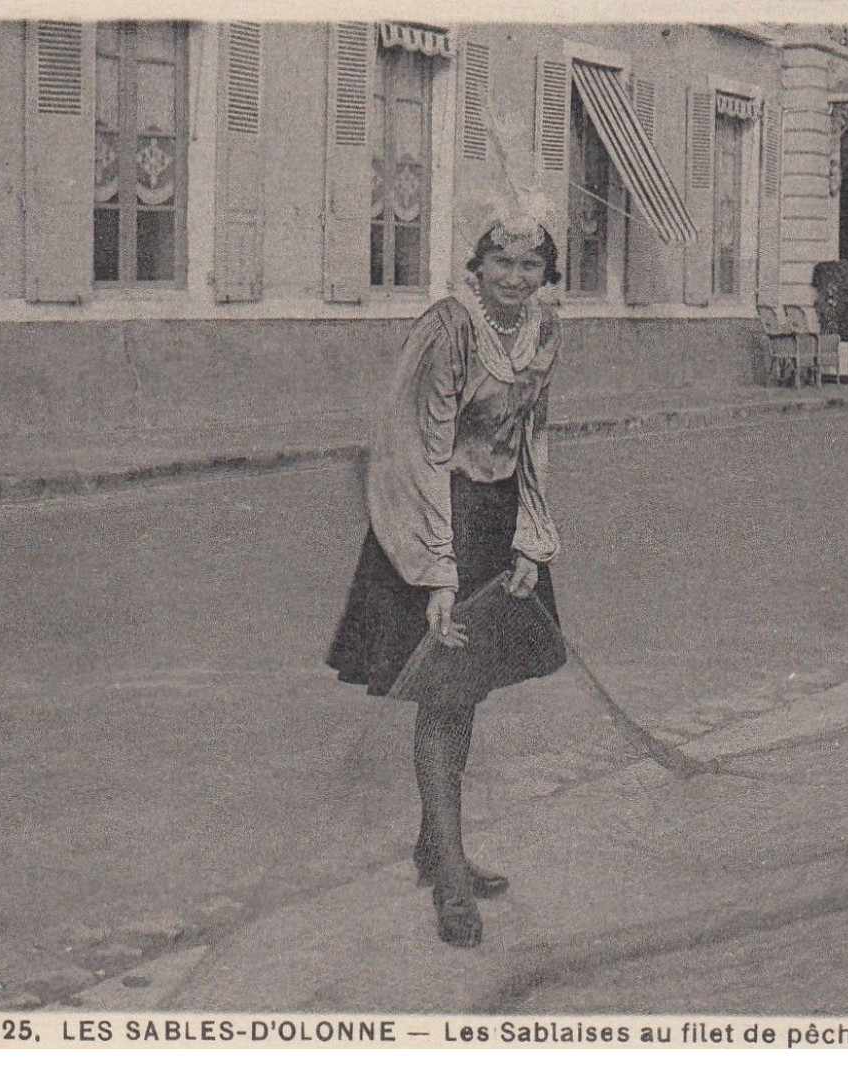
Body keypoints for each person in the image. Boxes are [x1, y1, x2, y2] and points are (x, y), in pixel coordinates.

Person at [326, 213, 566, 948]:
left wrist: (530, 538)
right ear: (476, 264)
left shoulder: (541, 329)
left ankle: (436, 845)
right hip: (438, 515)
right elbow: (415, 446)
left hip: (495, 520)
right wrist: (434, 571)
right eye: (502, 262)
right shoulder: (447, 328)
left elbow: (534, 434)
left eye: (531, 265)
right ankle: (451, 876)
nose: (516, 278)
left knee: (467, 691)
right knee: (442, 695)